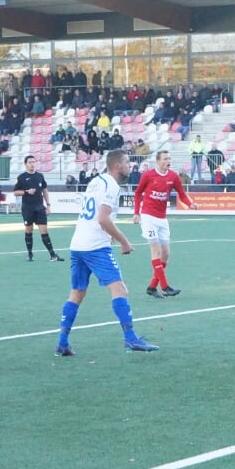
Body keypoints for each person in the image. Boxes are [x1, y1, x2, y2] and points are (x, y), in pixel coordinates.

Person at [54, 149, 158, 356]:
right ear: (118, 166)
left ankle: (62, 342)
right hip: (95, 247)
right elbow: (102, 218)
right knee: (119, 290)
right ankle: (130, 338)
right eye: (128, 162)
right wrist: (124, 241)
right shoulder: (111, 185)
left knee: (77, 292)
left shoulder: (96, 181)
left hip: (77, 244)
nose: (131, 166)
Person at [133, 150, 198, 298]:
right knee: (156, 250)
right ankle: (165, 286)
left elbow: (181, 194)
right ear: (158, 161)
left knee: (166, 254)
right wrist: (136, 213)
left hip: (162, 218)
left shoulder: (173, 176)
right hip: (148, 216)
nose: (168, 161)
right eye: (165, 159)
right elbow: (138, 193)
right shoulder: (148, 175)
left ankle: (152, 286)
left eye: (169, 158)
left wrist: (190, 204)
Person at [13, 155, 64, 262]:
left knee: (44, 231)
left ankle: (52, 255)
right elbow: (15, 192)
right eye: (30, 162)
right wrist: (26, 191)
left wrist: (48, 205)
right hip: (27, 208)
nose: (32, 164)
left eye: (34, 162)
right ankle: (30, 254)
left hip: (40, 208)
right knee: (28, 230)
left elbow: (45, 190)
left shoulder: (40, 176)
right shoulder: (21, 177)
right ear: (26, 164)